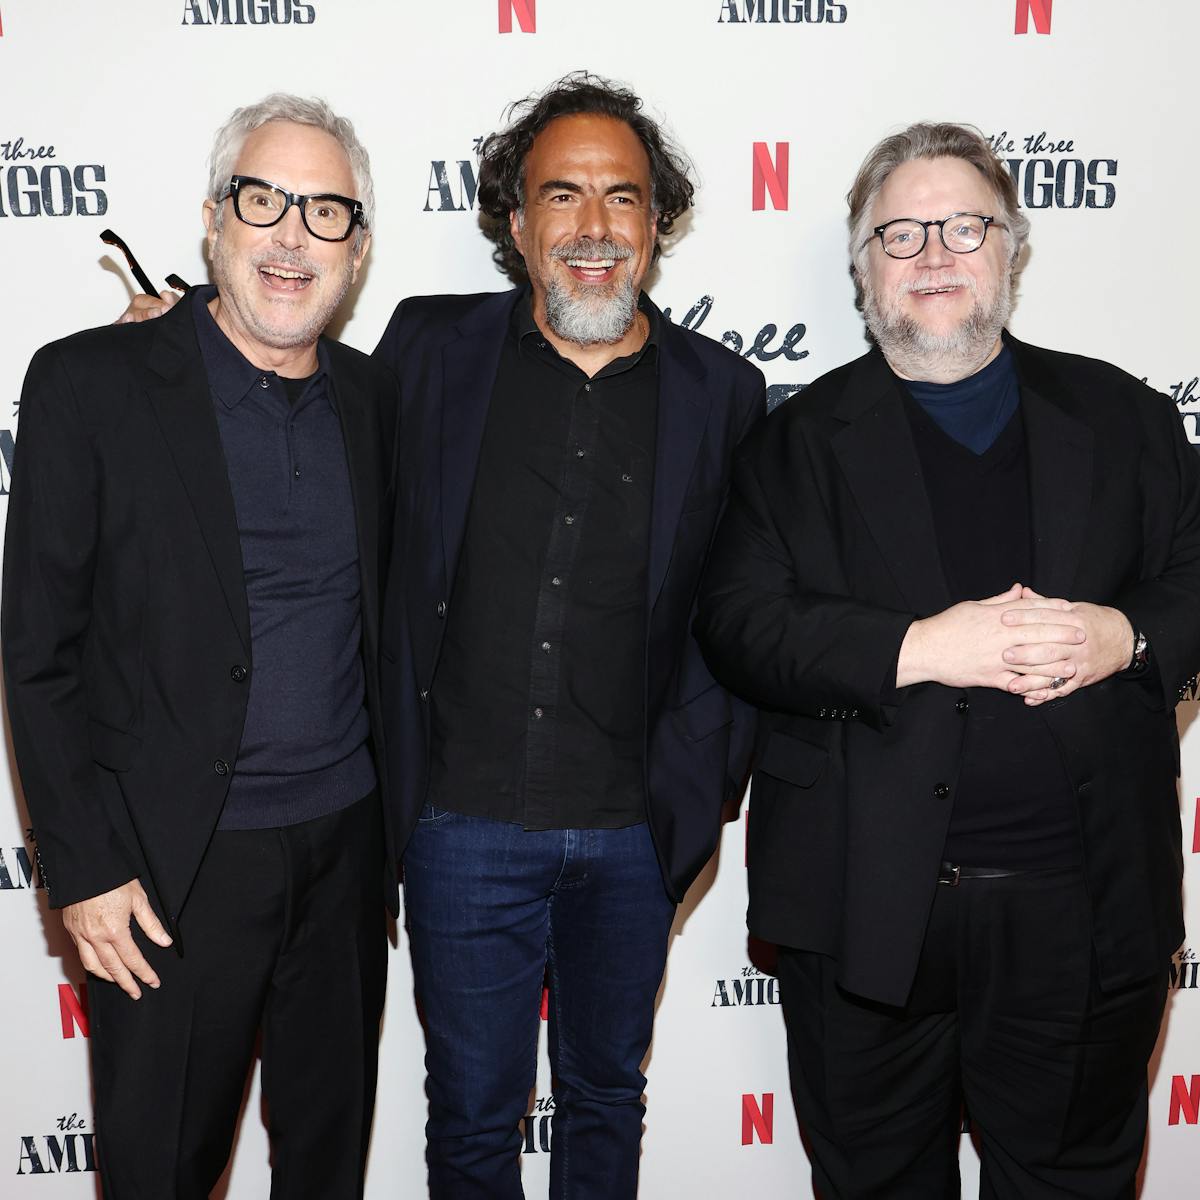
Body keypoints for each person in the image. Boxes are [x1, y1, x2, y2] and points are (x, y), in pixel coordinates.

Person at [696, 121, 1200, 1199]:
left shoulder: (1129, 419)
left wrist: (1131, 635)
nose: (934, 253)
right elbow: (738, 623)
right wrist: (922, 647)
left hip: (1085, 918)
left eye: (965, 226)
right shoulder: (790, 443)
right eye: (901, 233)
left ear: (1012, 249)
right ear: (864, 268)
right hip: (861, 916)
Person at [3, 94, 399, 1199]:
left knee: (327, 1168)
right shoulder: (90, 385)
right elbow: (38, 651)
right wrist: (80, 867)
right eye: (263, 200)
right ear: (213, 222)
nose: (291, 236)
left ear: (358, 251)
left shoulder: (377, 399)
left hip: (345, 852)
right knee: (160, 1172)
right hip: (168, 870)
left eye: (327, 213)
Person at [376, 72, 763, 1198]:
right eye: (563, 196)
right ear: (515, 220)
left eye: (624, 199)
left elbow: (740, 608)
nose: (594, 229)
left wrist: (700, 788)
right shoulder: (423, 353)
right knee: (470, 1120)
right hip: (459, 825)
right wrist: (174, 346)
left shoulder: (725, 394)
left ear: (657, 222)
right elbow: (299, 395)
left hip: (631, 839)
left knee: (607, 1100)